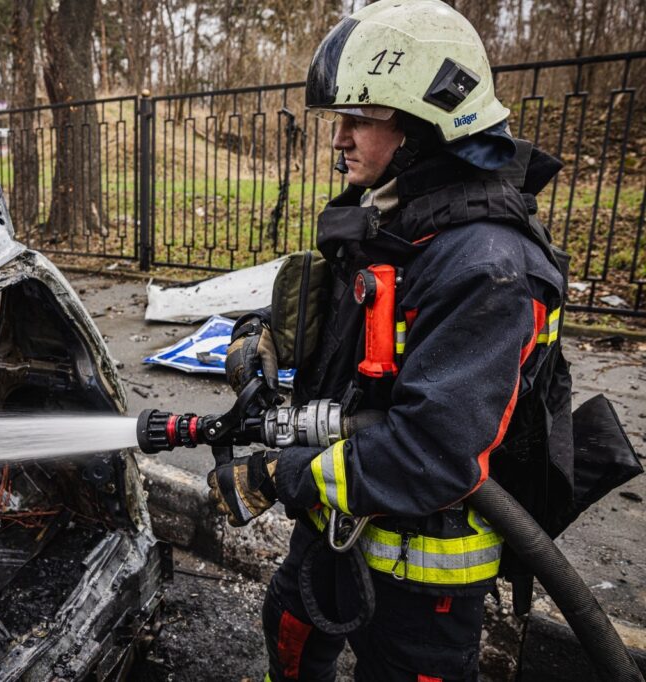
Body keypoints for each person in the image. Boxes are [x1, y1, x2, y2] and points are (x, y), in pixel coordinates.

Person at [209, 1, 574, 680]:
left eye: (360, 119)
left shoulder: (489, 267)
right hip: (335, 522)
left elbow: (431, 454)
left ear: (426, 124)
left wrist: (280, 476)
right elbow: (348, 321)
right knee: (289, 632)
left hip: (422, 572)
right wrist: (261, 338)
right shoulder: (393, 216)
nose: (338, 139)